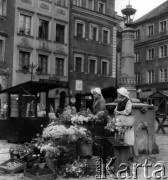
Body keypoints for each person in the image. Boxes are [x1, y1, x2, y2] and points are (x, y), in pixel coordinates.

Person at [114, 87, 135, 160]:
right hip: (120, 121)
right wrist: (116, 111)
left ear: (122, 94)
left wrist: (119, 112)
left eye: (119, 93)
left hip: (127, 121)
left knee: (128, 138)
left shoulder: (128, 101)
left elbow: (127, 111)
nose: (118, 94)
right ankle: (122, 155)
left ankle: (130, 156)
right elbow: (116, 109)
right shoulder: (120, 101)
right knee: (121, 138)